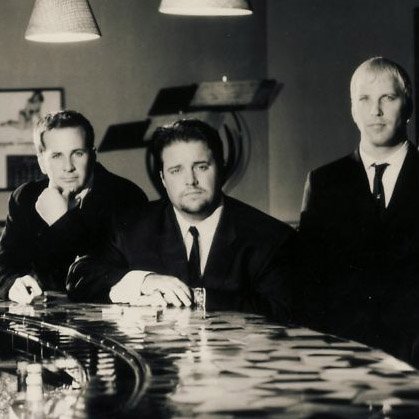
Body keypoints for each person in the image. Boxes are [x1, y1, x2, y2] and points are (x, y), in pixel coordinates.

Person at [66, 119, 297, 321]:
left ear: (221, 169)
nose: (190, 180)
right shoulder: (130, 227)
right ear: (163, 179)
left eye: (201, 167)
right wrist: (143, 281)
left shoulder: (271, 238)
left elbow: (285, 311)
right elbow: (81, 276)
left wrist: (199, 298)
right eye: (176, 170)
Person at [299, 57, 419, 357]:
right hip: (345, 357)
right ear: (353, 110)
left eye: (387, 98)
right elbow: (308, 284)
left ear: (408, 106)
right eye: (364, 99)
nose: (375, 111)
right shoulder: (324, 182)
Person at [0, 110, 148, 304]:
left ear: (92, 156)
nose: (68, 166)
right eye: (57, 156)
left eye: (77, 153)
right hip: (40, 314)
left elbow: (103, 271)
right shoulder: (25, 197)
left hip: (105, 314)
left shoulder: (127, 196)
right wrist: (12, 284)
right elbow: (4, 264)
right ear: (41, 162)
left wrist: (62, 222)